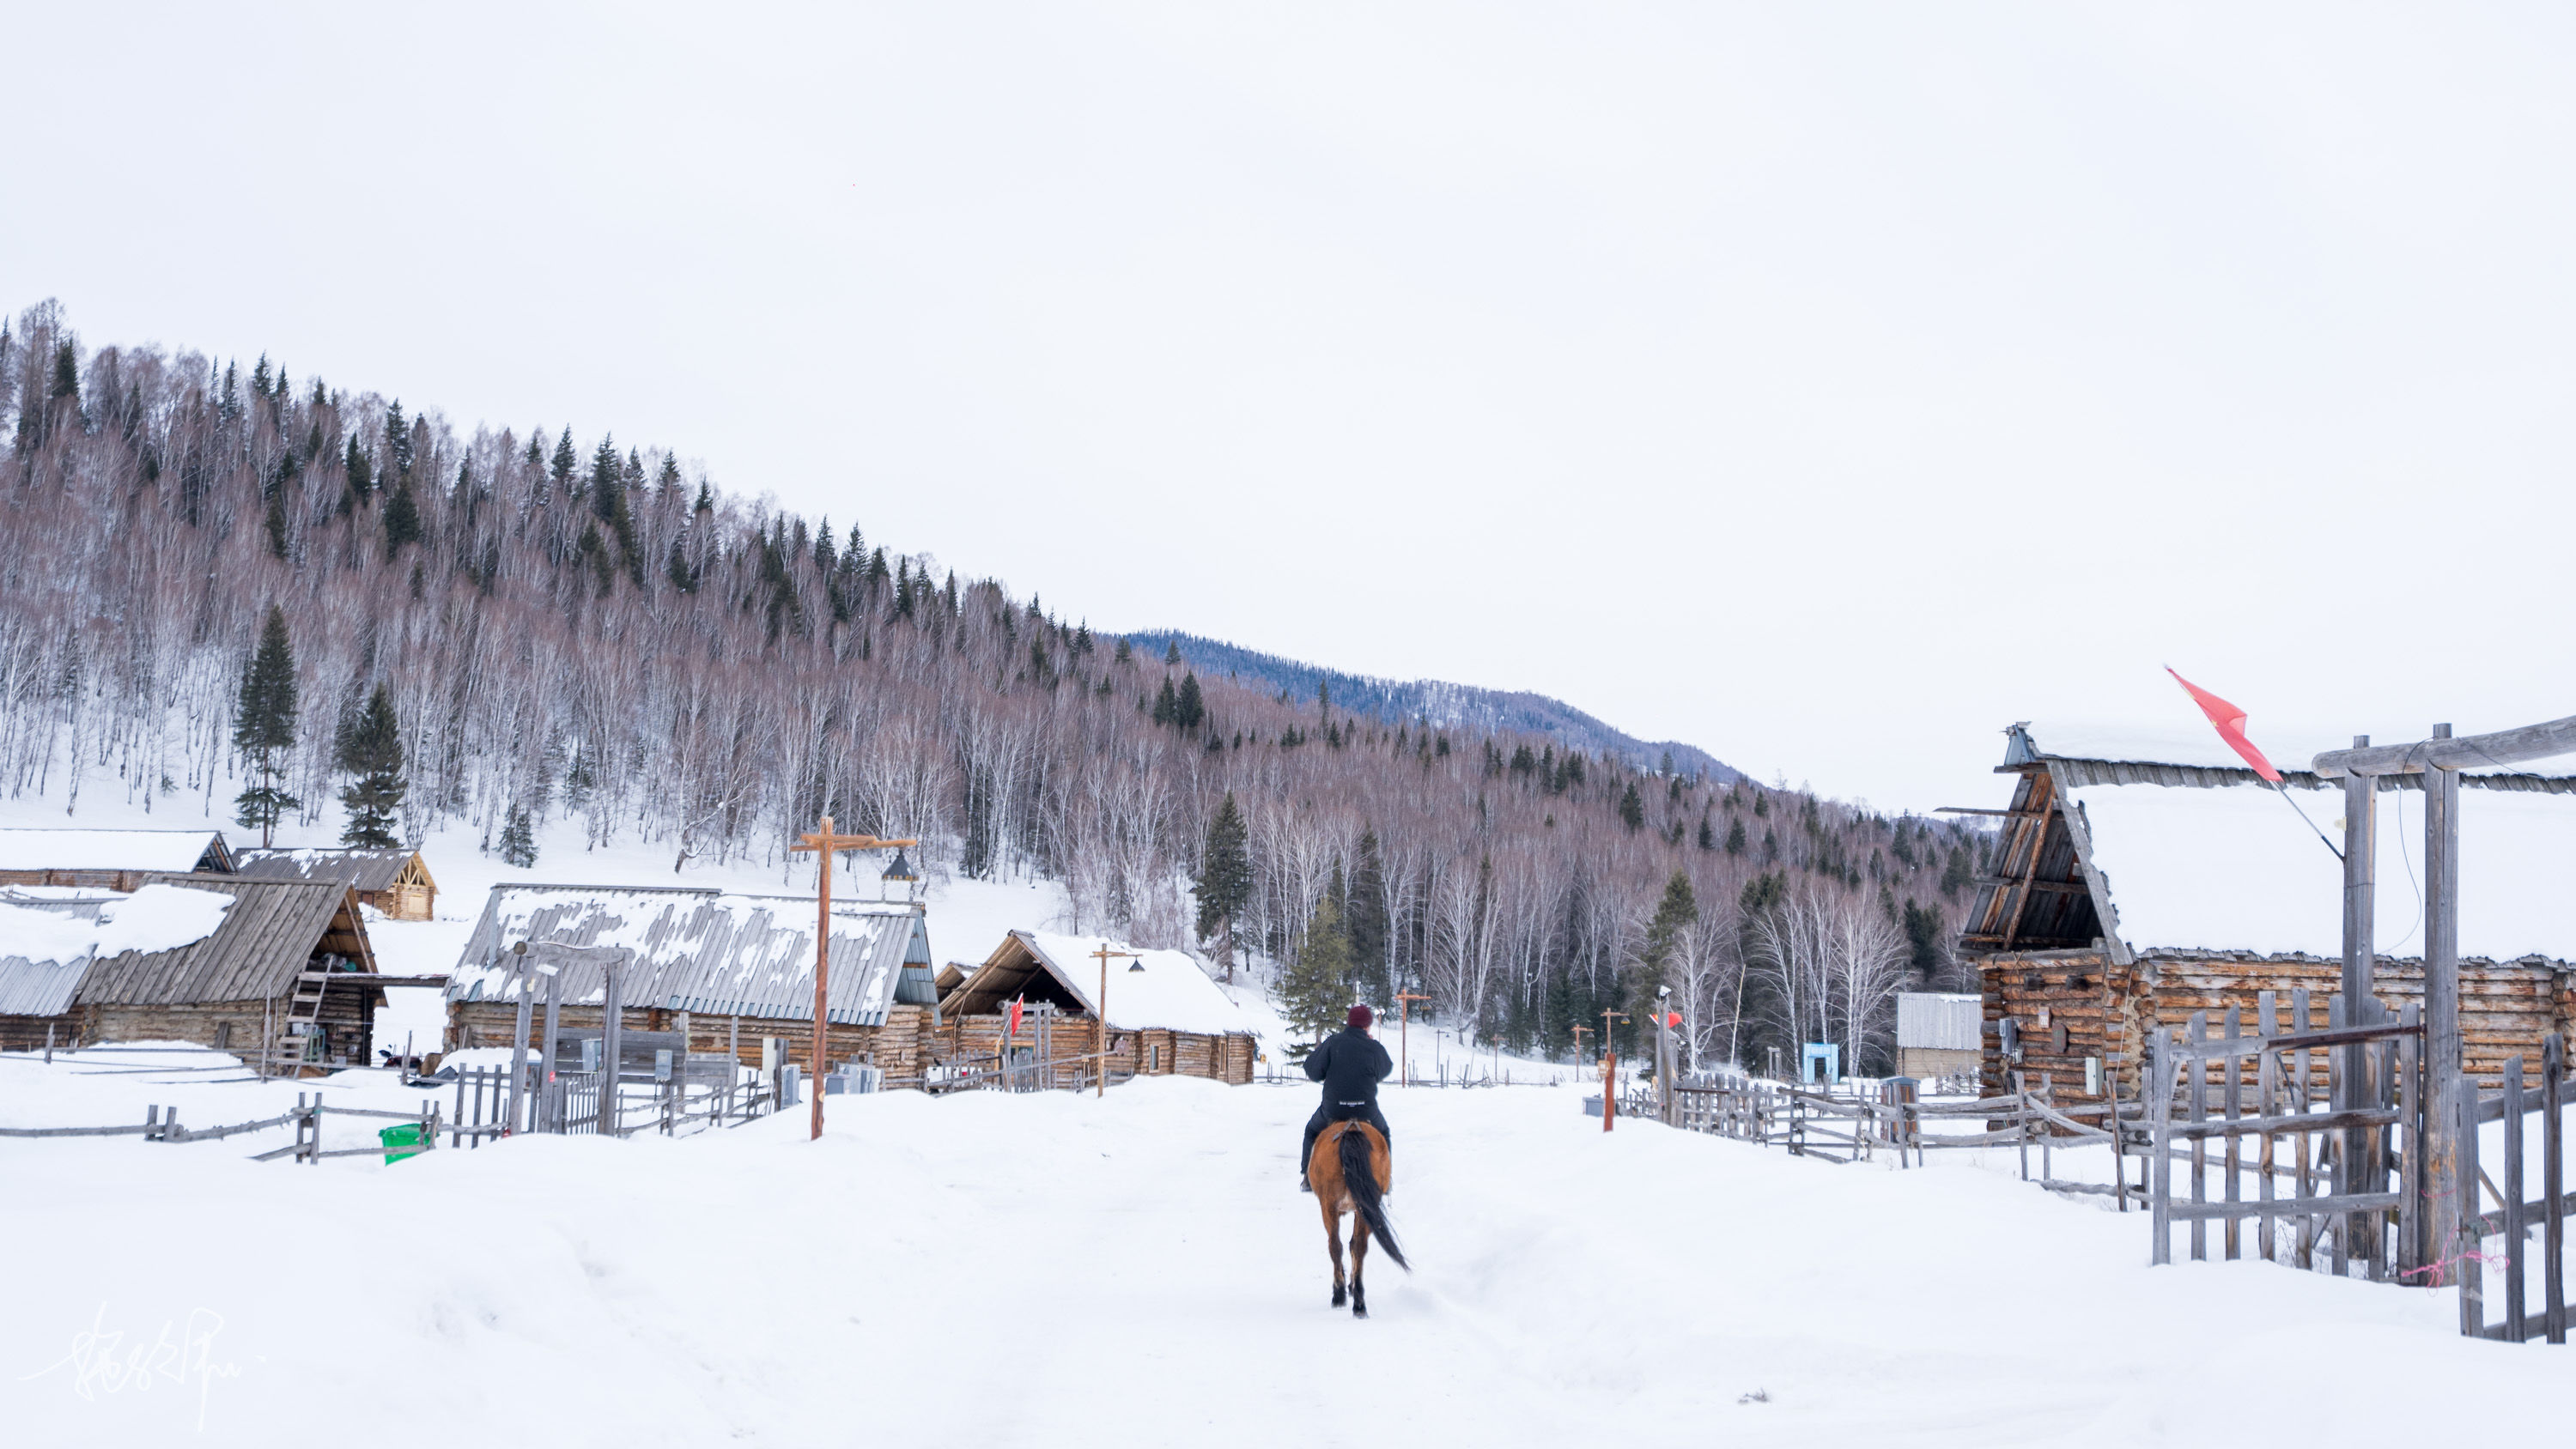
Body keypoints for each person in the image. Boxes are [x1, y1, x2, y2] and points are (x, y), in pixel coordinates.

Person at [1300, 1003, 1394, 1191]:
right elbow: (1386, 1069)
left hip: (1334, 1108)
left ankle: (1308, 1178)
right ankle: (1385, 1179)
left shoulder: (1333, 1042)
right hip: (1365, 1109)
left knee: (1311, 1131)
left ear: (1349, 1023)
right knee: (1383, 1133)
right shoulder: (1373, 1046)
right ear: (1367, 1026)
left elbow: (1312, 1070)